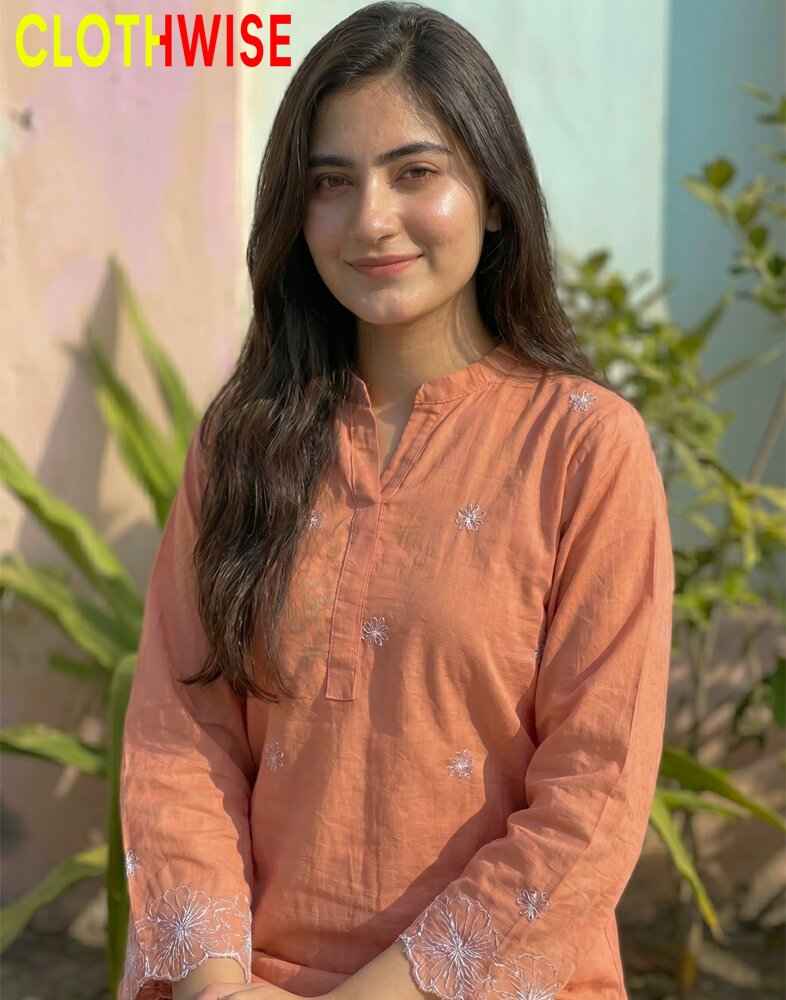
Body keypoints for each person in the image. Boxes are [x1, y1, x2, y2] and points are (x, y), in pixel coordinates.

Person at [118, 3, 675, 999]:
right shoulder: (244, 441)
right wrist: (212, 980)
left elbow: (592, 796)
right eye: (332, 183)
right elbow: (180, 734)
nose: (371, 218)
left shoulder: (584, 449)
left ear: (495, 196)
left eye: (415, 173)